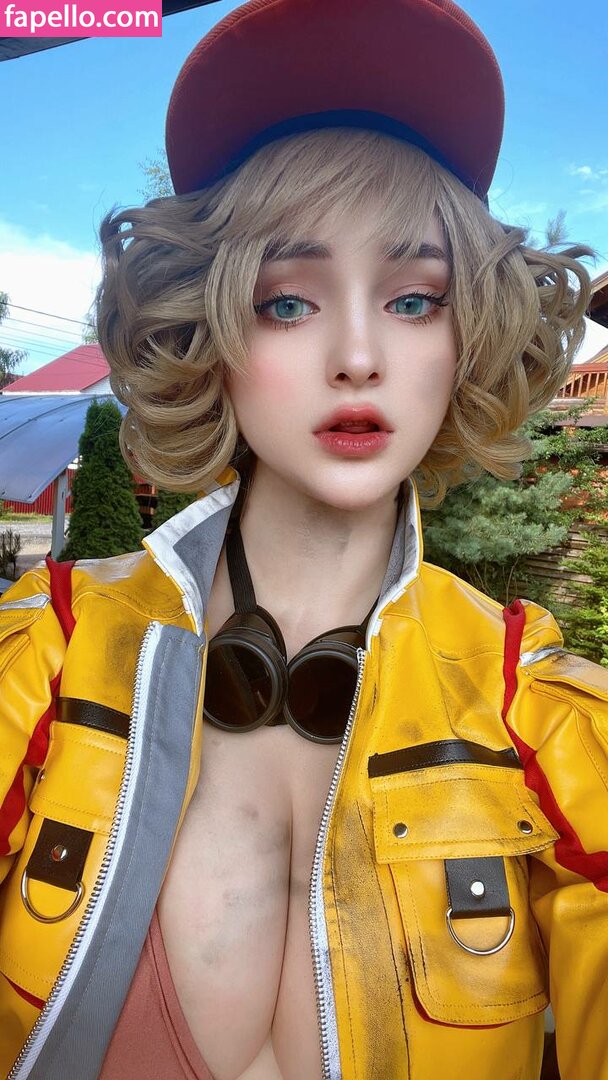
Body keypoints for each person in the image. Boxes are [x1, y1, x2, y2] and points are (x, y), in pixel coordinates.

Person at [0, 0, 606, 1078]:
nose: (358, 356)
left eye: (414, 299)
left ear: (468, 333)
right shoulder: (45, 658)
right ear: (207, 329)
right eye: (287, 303)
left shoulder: (542, 720)